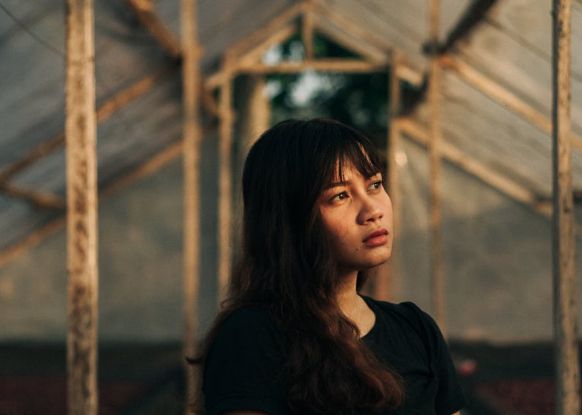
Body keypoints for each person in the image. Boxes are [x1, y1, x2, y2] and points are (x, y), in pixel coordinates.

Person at [190, 119, 467, 415]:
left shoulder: (415, 330)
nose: (373, 210)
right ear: (290, 221)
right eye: (340, 196)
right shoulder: (253, 337)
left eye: (374, 185)